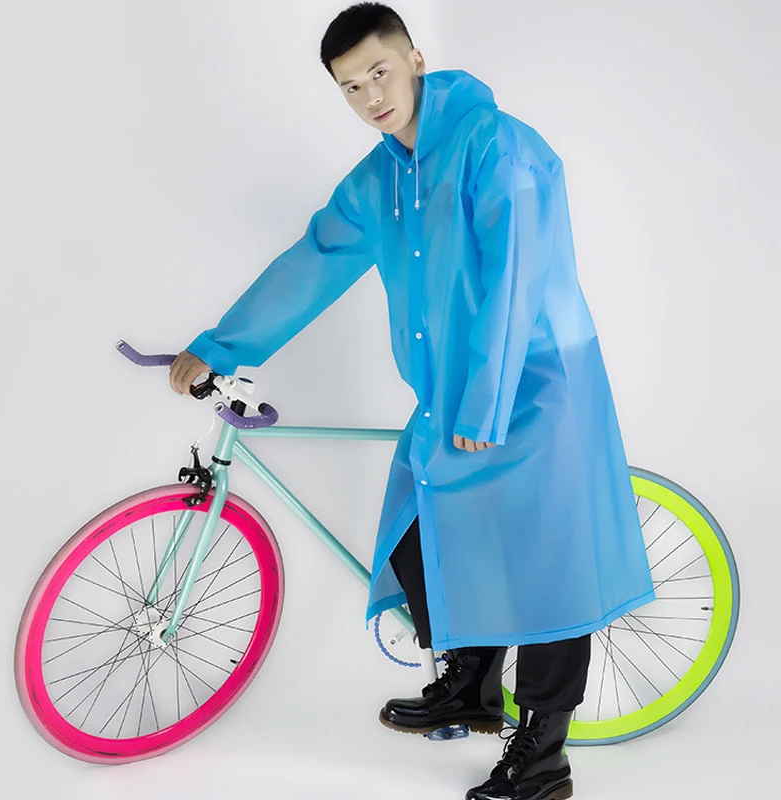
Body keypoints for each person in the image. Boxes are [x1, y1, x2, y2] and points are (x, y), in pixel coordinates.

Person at [169, 4, 656, 799]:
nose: (371, 96)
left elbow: (514, 282)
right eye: (351, 87)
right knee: (412, 532)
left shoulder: (499, 148)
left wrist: (485, 406)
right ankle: (473, 681)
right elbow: (314, 260)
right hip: (452, 394)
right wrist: (220, 347)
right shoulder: (379, 180)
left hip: (535, 387)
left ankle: (544, 752)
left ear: (416, 59)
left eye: (380, 72)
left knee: (545, 570)